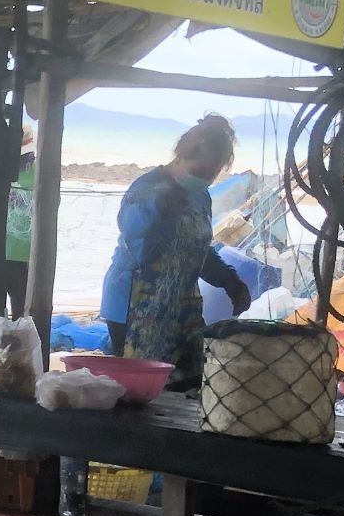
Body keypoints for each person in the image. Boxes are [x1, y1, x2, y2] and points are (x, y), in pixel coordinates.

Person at [99, 115, 251, 376]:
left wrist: (228, 279)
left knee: (190, 382)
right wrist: (157, 205)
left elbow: (195, 247)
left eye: (211, 174)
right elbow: (129, 226)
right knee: (138, 385)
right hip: (134, 305)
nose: (204, 179)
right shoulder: (147, 187)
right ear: (180, 156)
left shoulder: (200, 196)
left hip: (183, 308)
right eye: (199, 172)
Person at [6, 127, 37, 314]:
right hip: (1, 251)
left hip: (22, 254)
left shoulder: (39, 173)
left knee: (20, 308)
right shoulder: (0, 169)